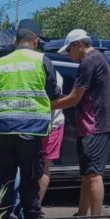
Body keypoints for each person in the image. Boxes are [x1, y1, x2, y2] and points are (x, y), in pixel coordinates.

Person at [0, 19, 60, 219]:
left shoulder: (0, 63)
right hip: (30, 131)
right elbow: (53, 93)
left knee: (4, 181)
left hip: (2, 131)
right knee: (30, 181)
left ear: (15, 40)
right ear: (36, 41)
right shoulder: (41, 61)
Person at [52, 29, 110, 217]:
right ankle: (82, 215)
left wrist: (48, 105)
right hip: (91, 126)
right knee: (87, 175)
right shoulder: (97, 59)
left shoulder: (89, 61)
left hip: (94, 126)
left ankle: (94, 218)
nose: (70, 57)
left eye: (69, 51)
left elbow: (74, 98)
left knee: (94, 175)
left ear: (77, 44)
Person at [39, 71, 65, 204]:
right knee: (42, 168)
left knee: (43, 168)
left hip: (49, 126)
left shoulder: (54, 75)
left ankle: (34, 206)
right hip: (44, 125)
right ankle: (33, 208)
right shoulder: (54, 73)